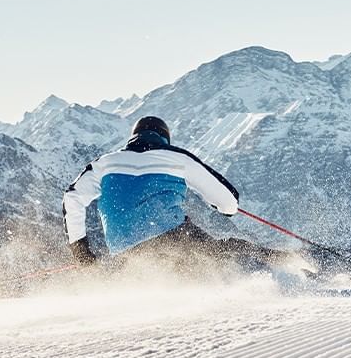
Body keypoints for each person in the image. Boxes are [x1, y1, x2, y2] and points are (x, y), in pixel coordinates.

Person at [62, 116, 277, 270]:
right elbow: (228, 202)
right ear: (165, 138)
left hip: (123, 251)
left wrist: (80, 249)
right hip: (172, 237)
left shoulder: (104, 163)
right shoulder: (177, 158)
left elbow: (72, 198)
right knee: (225, 250)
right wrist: (223, 208)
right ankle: (294, 260)